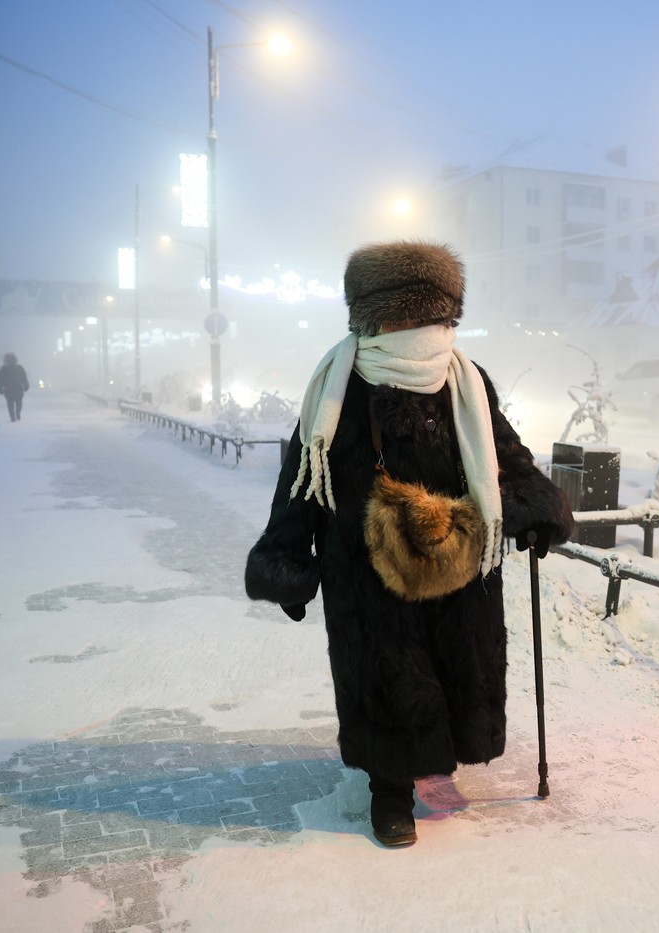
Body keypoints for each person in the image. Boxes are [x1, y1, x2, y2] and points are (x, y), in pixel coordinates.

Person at [245, 241, 574, 848]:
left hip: (457, 562)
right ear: (372, 319)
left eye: (433, 317)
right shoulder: (338, 391)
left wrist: (533, 509)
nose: (421, 330)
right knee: (388, 673)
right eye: (407, 317)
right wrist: (287, 556)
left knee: (453, 668)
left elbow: (505, 456)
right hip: (367, 571)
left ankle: (434, 765)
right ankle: (388, 791)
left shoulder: (466, 382)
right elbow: (303, 479)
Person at [0, 352, 30, 421]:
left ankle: (12, 416)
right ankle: (17, 412)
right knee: (19, 403)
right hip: (18, 388)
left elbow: (0, 379)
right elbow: (24, 377)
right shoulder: (19, 368)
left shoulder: (3, 369)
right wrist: (26, 385)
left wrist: (0, 388)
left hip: (8, 389)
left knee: (10, 404)